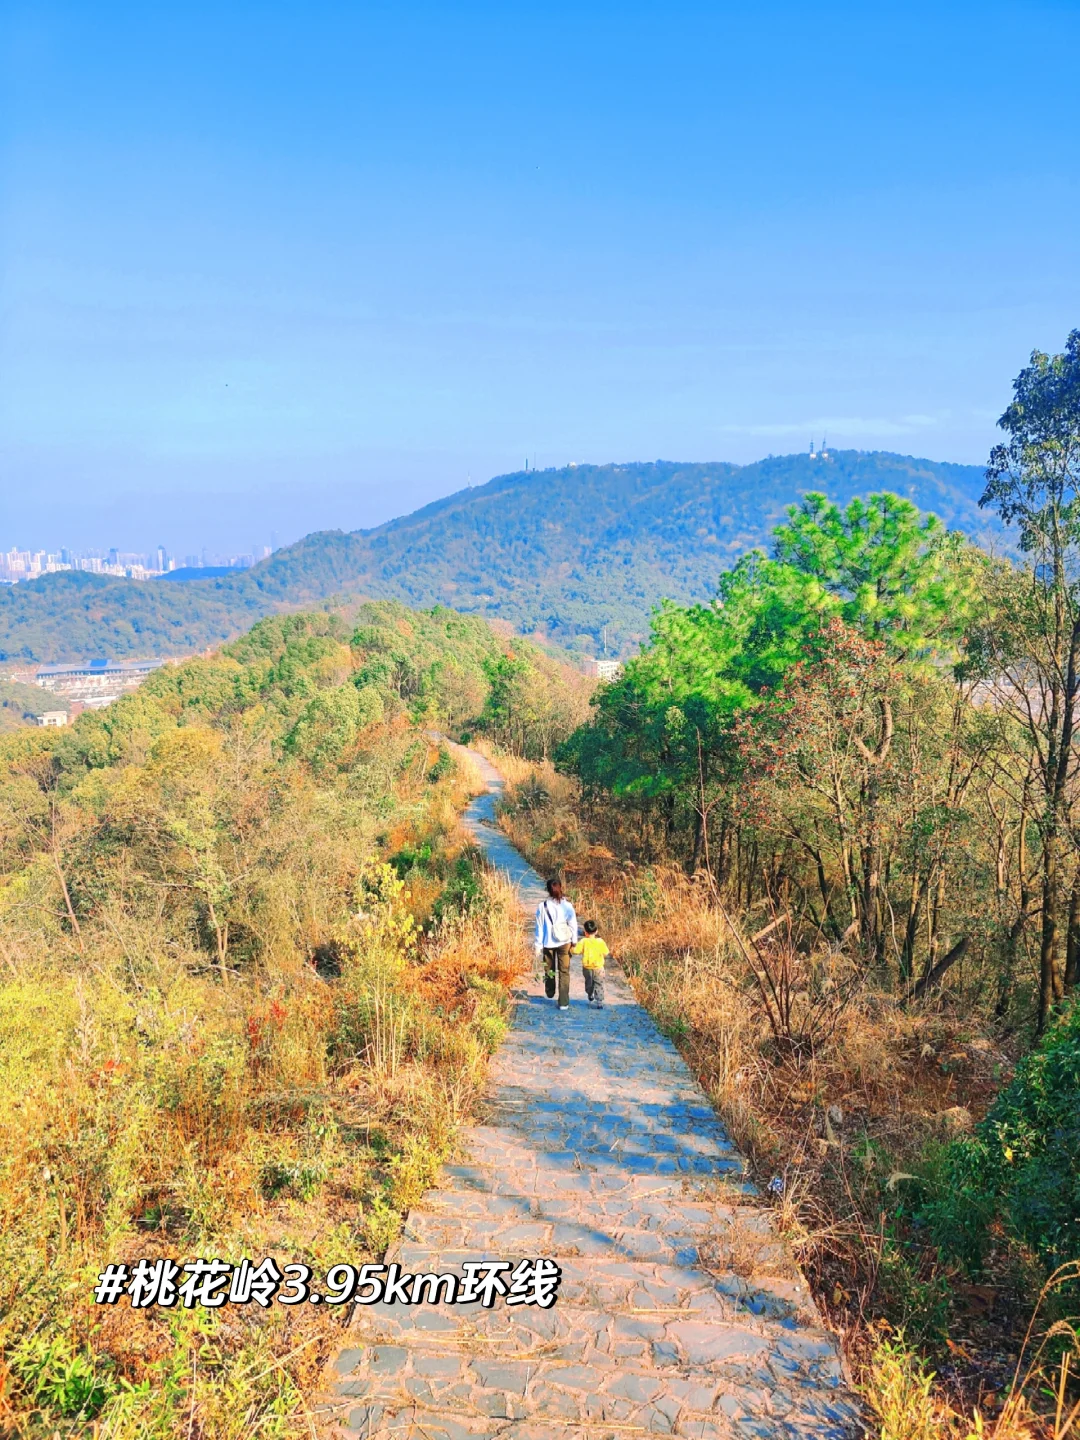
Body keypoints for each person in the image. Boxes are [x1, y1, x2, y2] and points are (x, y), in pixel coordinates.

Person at [534, 877, 579, 1010]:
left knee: (549, 969)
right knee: (564, 971)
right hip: (565, 942)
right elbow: (573, 924)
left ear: (548, 890)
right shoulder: (567, 906)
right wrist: (574, 941)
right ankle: (563, 1002)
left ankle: (550, 990)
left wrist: (538, 945)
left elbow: (539, 927)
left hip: (548, 943)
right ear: (560, 888)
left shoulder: (542, 907)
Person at [572, 920, 609, 1008]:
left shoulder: (583, 941)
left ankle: (590, 994)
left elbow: (576, 951)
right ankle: (599, 1001)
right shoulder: (600, 941)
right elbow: (606, 952)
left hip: (587, 968)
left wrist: (571, 948)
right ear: (596, 931)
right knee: (599, 983)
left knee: (589, 983)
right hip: (599, 967)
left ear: (585, 932)